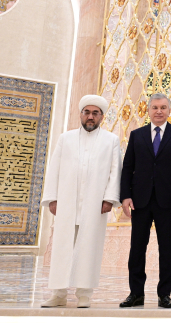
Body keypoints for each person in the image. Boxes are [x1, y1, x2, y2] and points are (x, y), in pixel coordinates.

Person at [40, 94, 121, 308]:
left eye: (95, 113)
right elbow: (54, 169)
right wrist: (52, 198)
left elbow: (115, 172)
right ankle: (58, 293)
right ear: (81, 114)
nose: (91, 117)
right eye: (87, 112)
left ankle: (84, 294)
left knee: (89, 246)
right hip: (66, 202)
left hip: (95, 204)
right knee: (62, 247)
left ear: (102, 116)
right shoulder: (65, 138)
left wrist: (110, 199)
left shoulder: (111, 140)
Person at [119, 94, 171, 309]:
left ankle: (164, 294)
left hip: (168, 200)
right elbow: (128, 167)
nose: (159, 111)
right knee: (137, 247)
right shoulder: (137, 135)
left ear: (170, 110)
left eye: (163, 107)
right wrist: (125, 195)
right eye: (155, 107)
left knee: (166, 248)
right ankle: (136, 293)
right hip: (140, 200)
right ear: (148, 111)